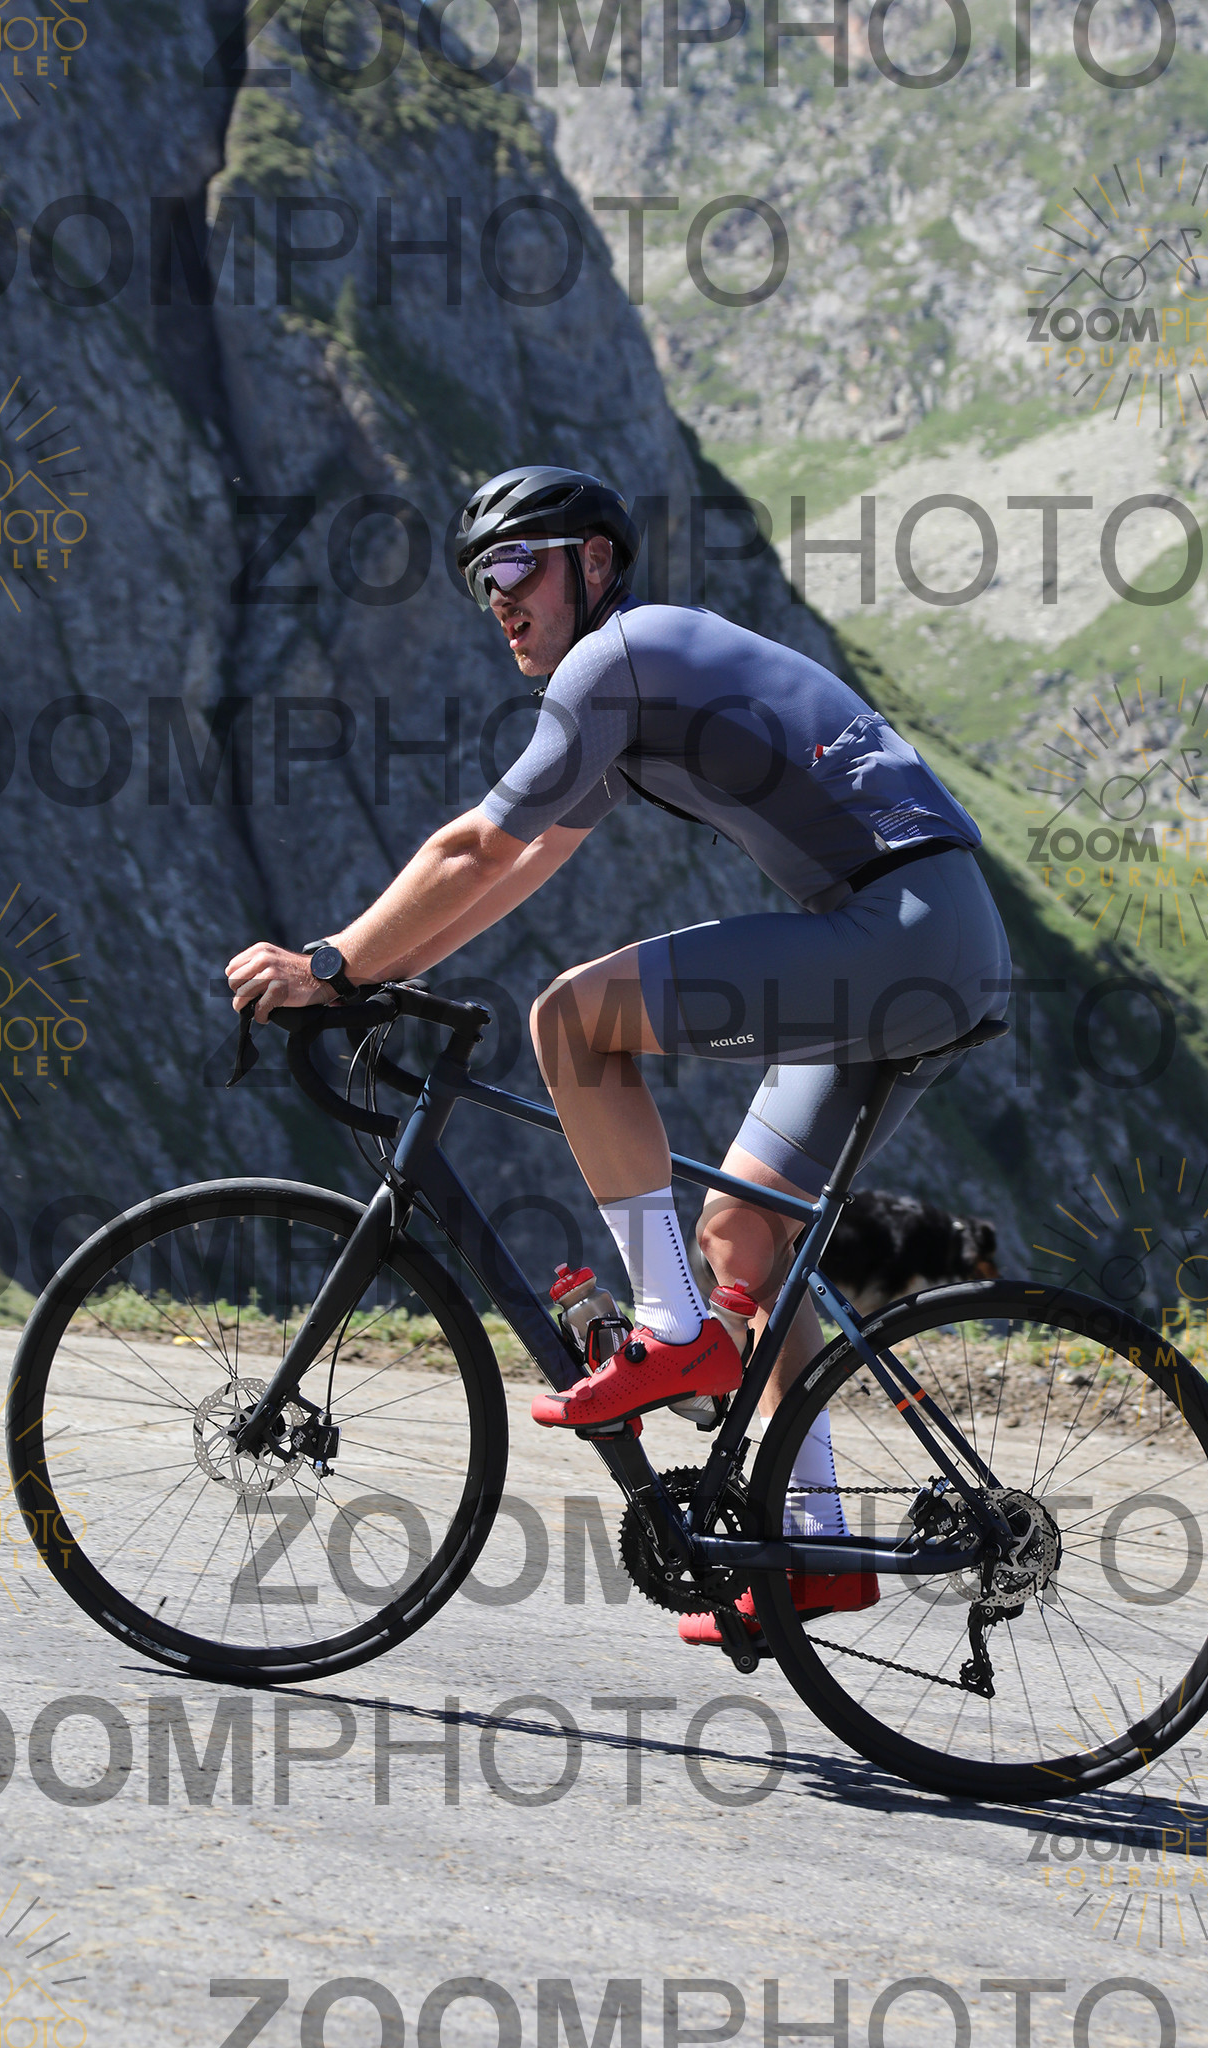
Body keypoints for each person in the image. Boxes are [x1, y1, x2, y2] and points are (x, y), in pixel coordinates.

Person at [228, 466, 1011, 1646]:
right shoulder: (632, 691)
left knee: (570, 1020)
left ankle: (672, 1333)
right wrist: (377, 974)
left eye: (514, 564)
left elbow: (472, 846)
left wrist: (331, 963)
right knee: (745, 1235)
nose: (497, 597)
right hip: (930, 942)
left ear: (592, 561)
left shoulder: (617, 660)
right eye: (477, 582)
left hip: (902, 931)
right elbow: (518, 867)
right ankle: (810, 1549)